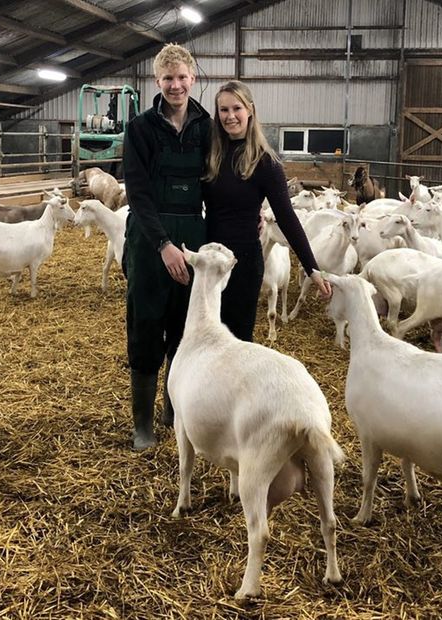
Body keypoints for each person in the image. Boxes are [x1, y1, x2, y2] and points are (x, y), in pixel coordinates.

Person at [121, 44, 210, 450]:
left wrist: (250, 213)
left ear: (193, 78)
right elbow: (137, 192)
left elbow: (218, 184)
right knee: (145, 326)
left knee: (183, 328)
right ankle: (142, 423)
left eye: (182, 77)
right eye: (168, 78)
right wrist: (163, 245)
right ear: (157, 81)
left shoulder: (207, 127)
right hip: (149, 238)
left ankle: (174, 411)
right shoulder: (140, 128)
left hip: (193, 234)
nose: (176, 85)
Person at [201, 80, 332, 343]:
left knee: (236, 339)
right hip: (211, 260)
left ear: (250, 110)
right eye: (223, 110)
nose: (230, 116)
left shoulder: (265, 163)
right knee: (207, 335)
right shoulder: (210, 154)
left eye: (236, 108)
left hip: (244, 262)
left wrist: (311, 267)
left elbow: (286, 216)